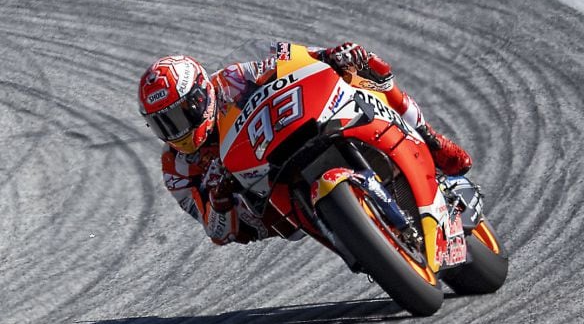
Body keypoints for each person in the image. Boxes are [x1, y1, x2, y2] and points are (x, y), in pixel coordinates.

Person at [137, 40, 471, 245]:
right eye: (163, 123)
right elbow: (217, 233)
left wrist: (328, 55)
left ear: (201, 93)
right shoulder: (176, 168)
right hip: (264, 205)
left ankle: (430, 138)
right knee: (246, 220)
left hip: (287, 136)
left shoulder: (233, 79)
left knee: (361, 71)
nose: (175, 129)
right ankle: (358, 238)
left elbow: (289, 62)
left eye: (181, 114)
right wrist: (221, 200)